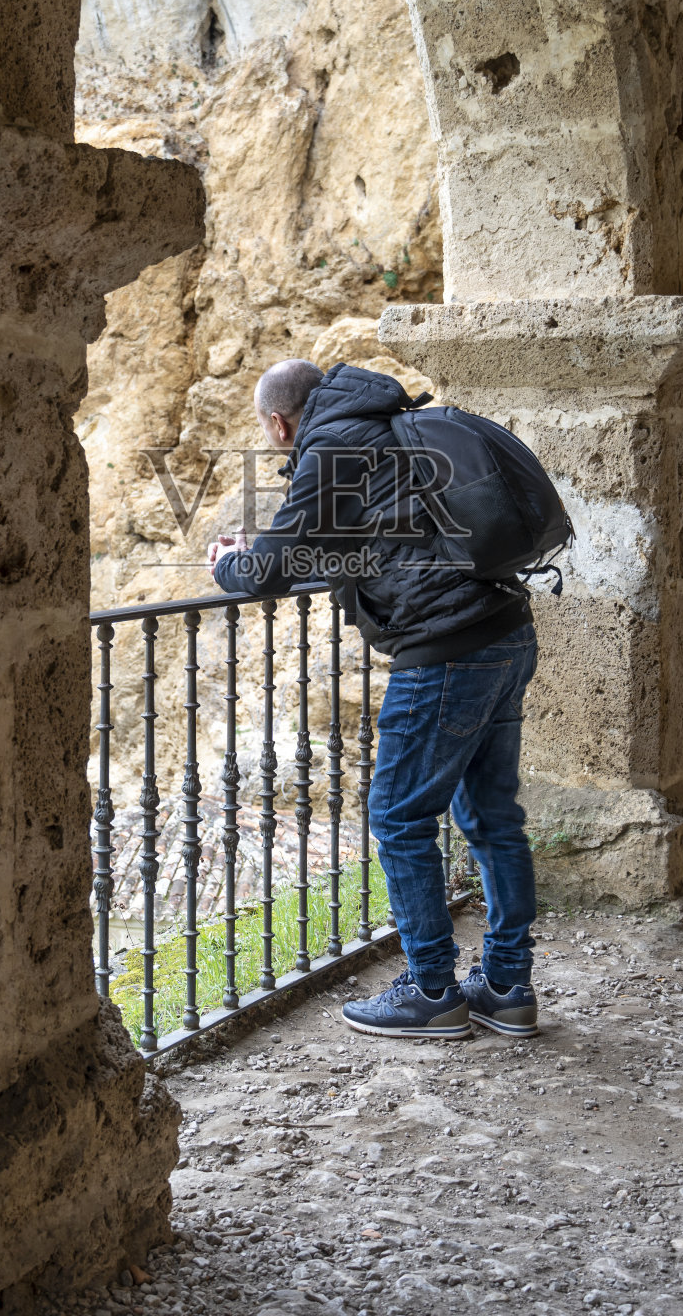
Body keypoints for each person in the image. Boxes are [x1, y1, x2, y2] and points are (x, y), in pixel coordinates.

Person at [208, 359, 539, 1040]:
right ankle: (506, 988)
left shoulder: (331, 449)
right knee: (492, 818)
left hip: (447, 650)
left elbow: (267, 570)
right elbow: (378, 538)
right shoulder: (387, 427)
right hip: (504, 628)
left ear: (277, 423)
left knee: (397, 816)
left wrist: (225, 563)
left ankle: (431, 992)